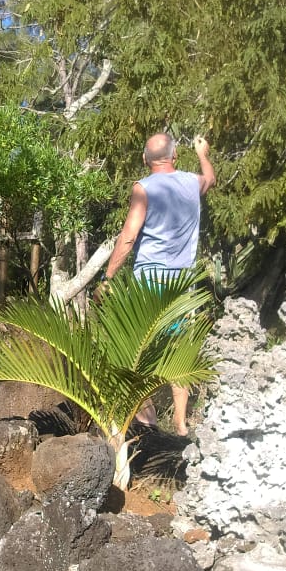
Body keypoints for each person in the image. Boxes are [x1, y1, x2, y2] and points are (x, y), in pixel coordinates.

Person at [101, 132, 215, 436]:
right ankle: (179, 424)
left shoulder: (143, 188)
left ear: (144, 160)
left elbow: (128, 236)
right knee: (178, 349)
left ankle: (148, 422)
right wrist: (202, 152)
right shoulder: (192, 182)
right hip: (182, 284)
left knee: (141, 349)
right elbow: (210, 178)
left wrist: (107, 277)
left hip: (149, 281)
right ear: (175, 157)